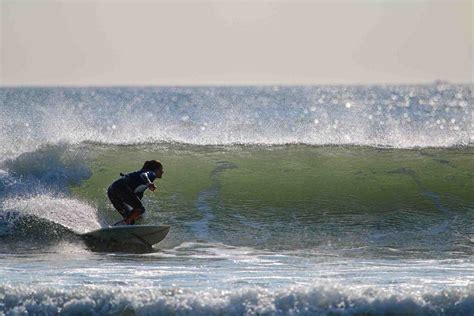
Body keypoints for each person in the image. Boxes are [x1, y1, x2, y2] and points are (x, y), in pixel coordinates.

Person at [107, 160, 164, 225]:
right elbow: (143, 175)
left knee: (133, 216)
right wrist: (149, 183)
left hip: (112, 190)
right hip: (121, 187)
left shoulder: (139, 177)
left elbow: (135, 198)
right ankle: (121, 225)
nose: (162, 172)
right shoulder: (151, 173)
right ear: (156, 169)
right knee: (140, 209)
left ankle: (118, 228)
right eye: (161, 169)